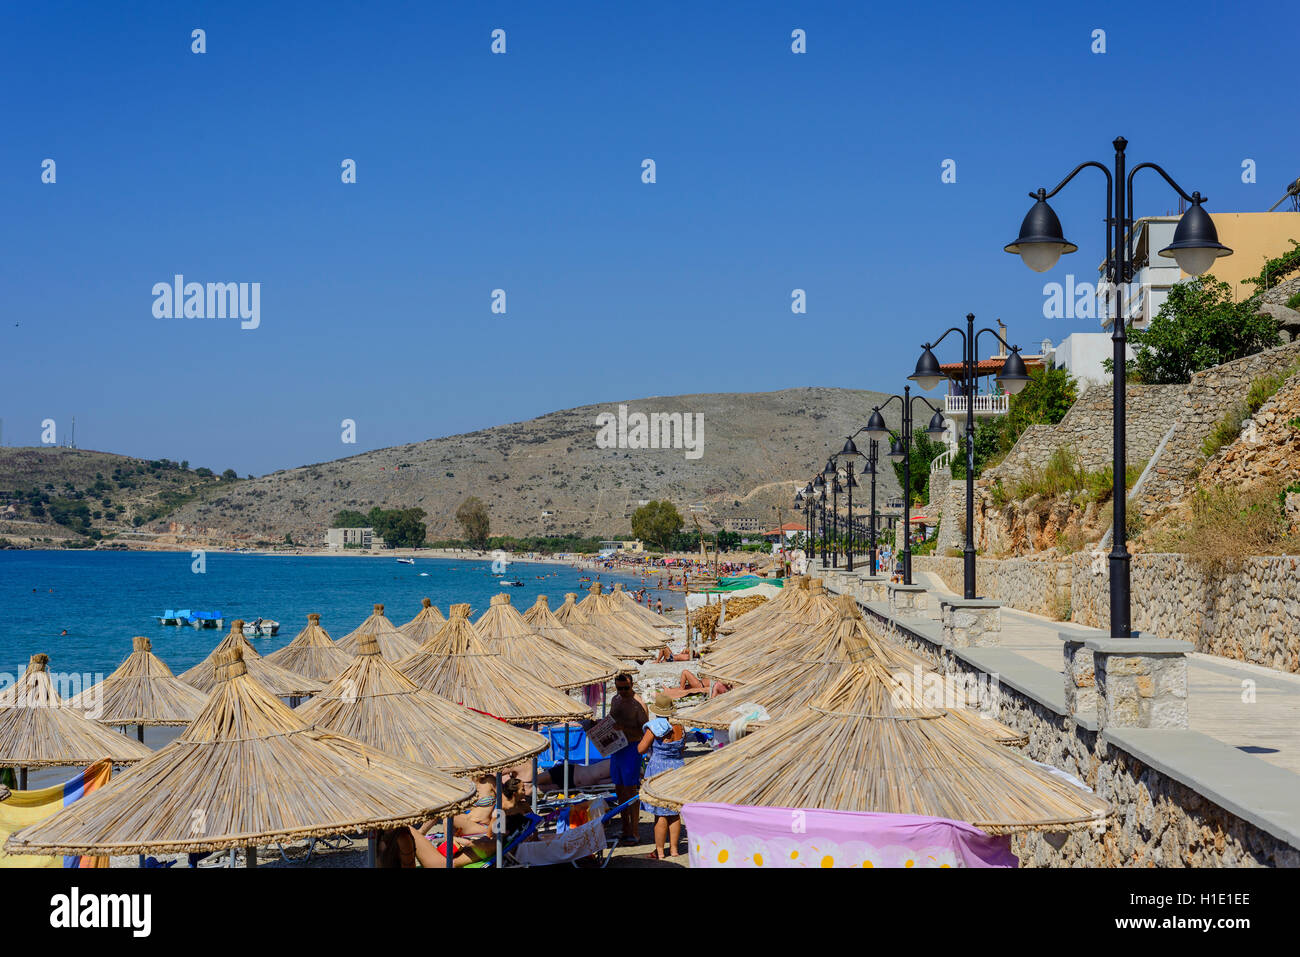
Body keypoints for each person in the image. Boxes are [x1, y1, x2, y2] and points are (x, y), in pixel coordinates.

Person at [637, 692, 687, 859]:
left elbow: (641, 749)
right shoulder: (680, 726)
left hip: (659, 769)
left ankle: (659, 851)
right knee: (674, 812)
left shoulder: (654, 727)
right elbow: (681, 748)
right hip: (677, 769)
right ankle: (674, 849)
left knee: (660, 813)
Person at [608, 673, 647, 844]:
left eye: (626, 688)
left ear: (632, 685)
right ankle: (625, 829)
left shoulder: (638, 704)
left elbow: (645, 732)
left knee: (631, 790)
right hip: (617, 748)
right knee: (619, 790)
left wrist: (624, 728)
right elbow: (611, 720)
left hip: (631, 748)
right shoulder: (615, 700)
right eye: (619, 688)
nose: (623, 691)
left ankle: (635, 831)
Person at [661, 669, 728, 699]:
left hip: (700, 685)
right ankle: (669, 690)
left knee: (685, 672)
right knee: (686, 687)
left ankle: (680, 689)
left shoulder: (720, 683)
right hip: (700, 683)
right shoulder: (721, 680)